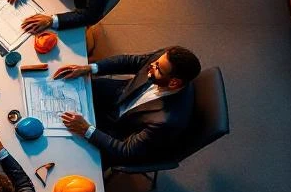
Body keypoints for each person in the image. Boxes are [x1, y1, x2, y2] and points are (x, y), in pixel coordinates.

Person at [54, 46, 201, 165]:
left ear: (174, 82)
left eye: (157, 68)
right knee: (67, 84)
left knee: (66, 149)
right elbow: (130, 61)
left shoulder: (167, 121)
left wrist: (87, 130)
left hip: (118, 130)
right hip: (121, 95)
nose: (151, 65)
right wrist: (90, 68)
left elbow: (126, 152)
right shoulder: (165, 59)